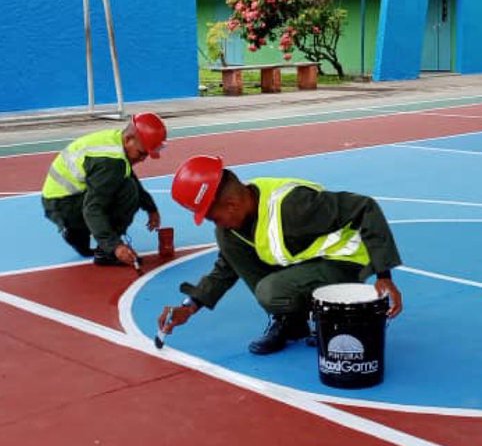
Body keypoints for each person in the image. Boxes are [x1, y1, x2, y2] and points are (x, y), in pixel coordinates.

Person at [157, 155, 403, 355]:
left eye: (213, 216)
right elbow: (227, 267)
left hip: (342, 263)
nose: (215, 223)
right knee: (230, 244)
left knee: (270, 290)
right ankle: (291, 324)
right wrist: (189, 307)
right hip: (306, 264)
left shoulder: (294, 207)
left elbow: (365, 207)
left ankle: (333, 314)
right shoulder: (233, 226)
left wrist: (384, 275)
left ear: (231, 204)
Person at [41, 112, 167, 267]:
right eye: (141, 153)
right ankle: (104, 253)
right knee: (128, 192)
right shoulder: (111, 162)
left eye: (146, 155)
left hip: (59, 200)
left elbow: (128, 175)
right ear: (128, 140)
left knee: (122, 184)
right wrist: (114, 247)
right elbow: (92, 208)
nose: (142, 159)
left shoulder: (115, 141)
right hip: (64, 204)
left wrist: (151, 208)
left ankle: (76, 232)